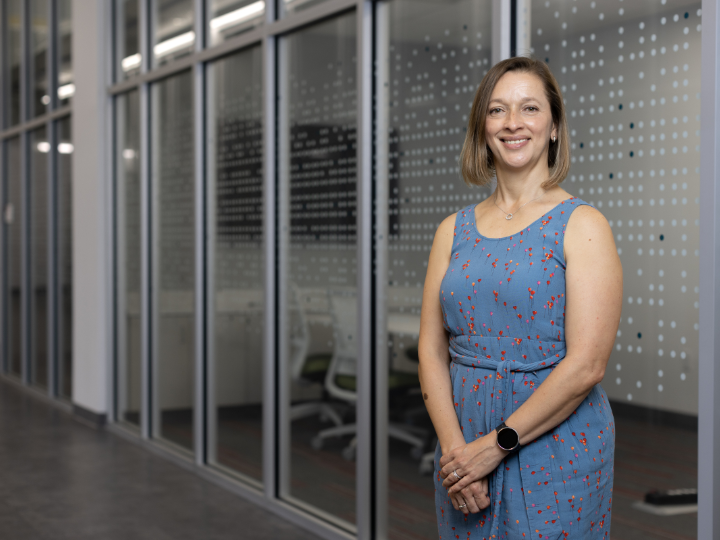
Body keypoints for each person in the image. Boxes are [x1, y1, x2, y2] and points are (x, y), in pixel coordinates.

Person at [418, 56, 622, 539]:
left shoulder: (583, 225)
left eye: (529, 108)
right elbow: (430, 348)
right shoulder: (452, 231)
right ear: (482, 128)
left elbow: (587, 364)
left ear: (553, 127)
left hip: (555, 446)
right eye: (497, 110)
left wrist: (495, 446)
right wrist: (457, 454)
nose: (513, 123)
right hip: (462, 442)